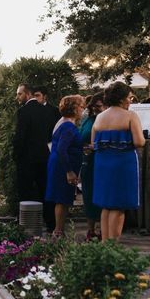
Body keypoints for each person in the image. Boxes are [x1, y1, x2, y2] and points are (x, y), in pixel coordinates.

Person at [92, 81, 145, 241]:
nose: (131, 100)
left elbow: (94, 143)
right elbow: (139, 142)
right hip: (123, 163)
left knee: (107, 205)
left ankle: (105, 244)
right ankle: (113, 246)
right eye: (129, 97)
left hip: (102, 164)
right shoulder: (130, 116)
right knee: (119, 206)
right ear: (122, 98)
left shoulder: (100, 117)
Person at [13, 83, 59, 232]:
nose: (17, 97)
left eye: (19, 94)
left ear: (28, 94)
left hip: (27, 158)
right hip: (45, 156)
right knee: (46, 189)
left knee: (25, 190)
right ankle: (51, 223)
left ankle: (25, 224)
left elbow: (20, 137)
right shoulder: (48, 111)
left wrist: (16, 155)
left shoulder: (23, 111)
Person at [45, 95, 85, 236]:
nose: (83, 110)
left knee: (63, 198)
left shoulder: (65, 123)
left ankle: (59, 230)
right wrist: (69, 171)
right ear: (74, 108)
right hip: (63, 166)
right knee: (62, 199)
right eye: (81, 107)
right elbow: (62, 149)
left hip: (59, 162)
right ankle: (58, 231)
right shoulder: (68, 125)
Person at [79, 92, 105, 240]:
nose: (96, 108)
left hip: (101, 159)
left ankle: (103, 229)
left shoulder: (106, 120)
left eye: (99, 106)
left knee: (102, 194)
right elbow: (80, 135)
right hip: (88, 160)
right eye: (94, 106)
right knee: (88, 195)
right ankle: (91, 229)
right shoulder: (87, 119)